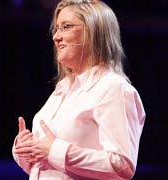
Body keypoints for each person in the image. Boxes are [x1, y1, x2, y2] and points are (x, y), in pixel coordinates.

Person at [12, 0, 146, 179]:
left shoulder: (114, 89)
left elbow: (122, 166)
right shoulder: (62, 90)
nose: (56, 37)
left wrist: (56, 150)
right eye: (56, 29)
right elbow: (49, 165)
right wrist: (26, 150)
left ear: (94, 32)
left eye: (66, 27)